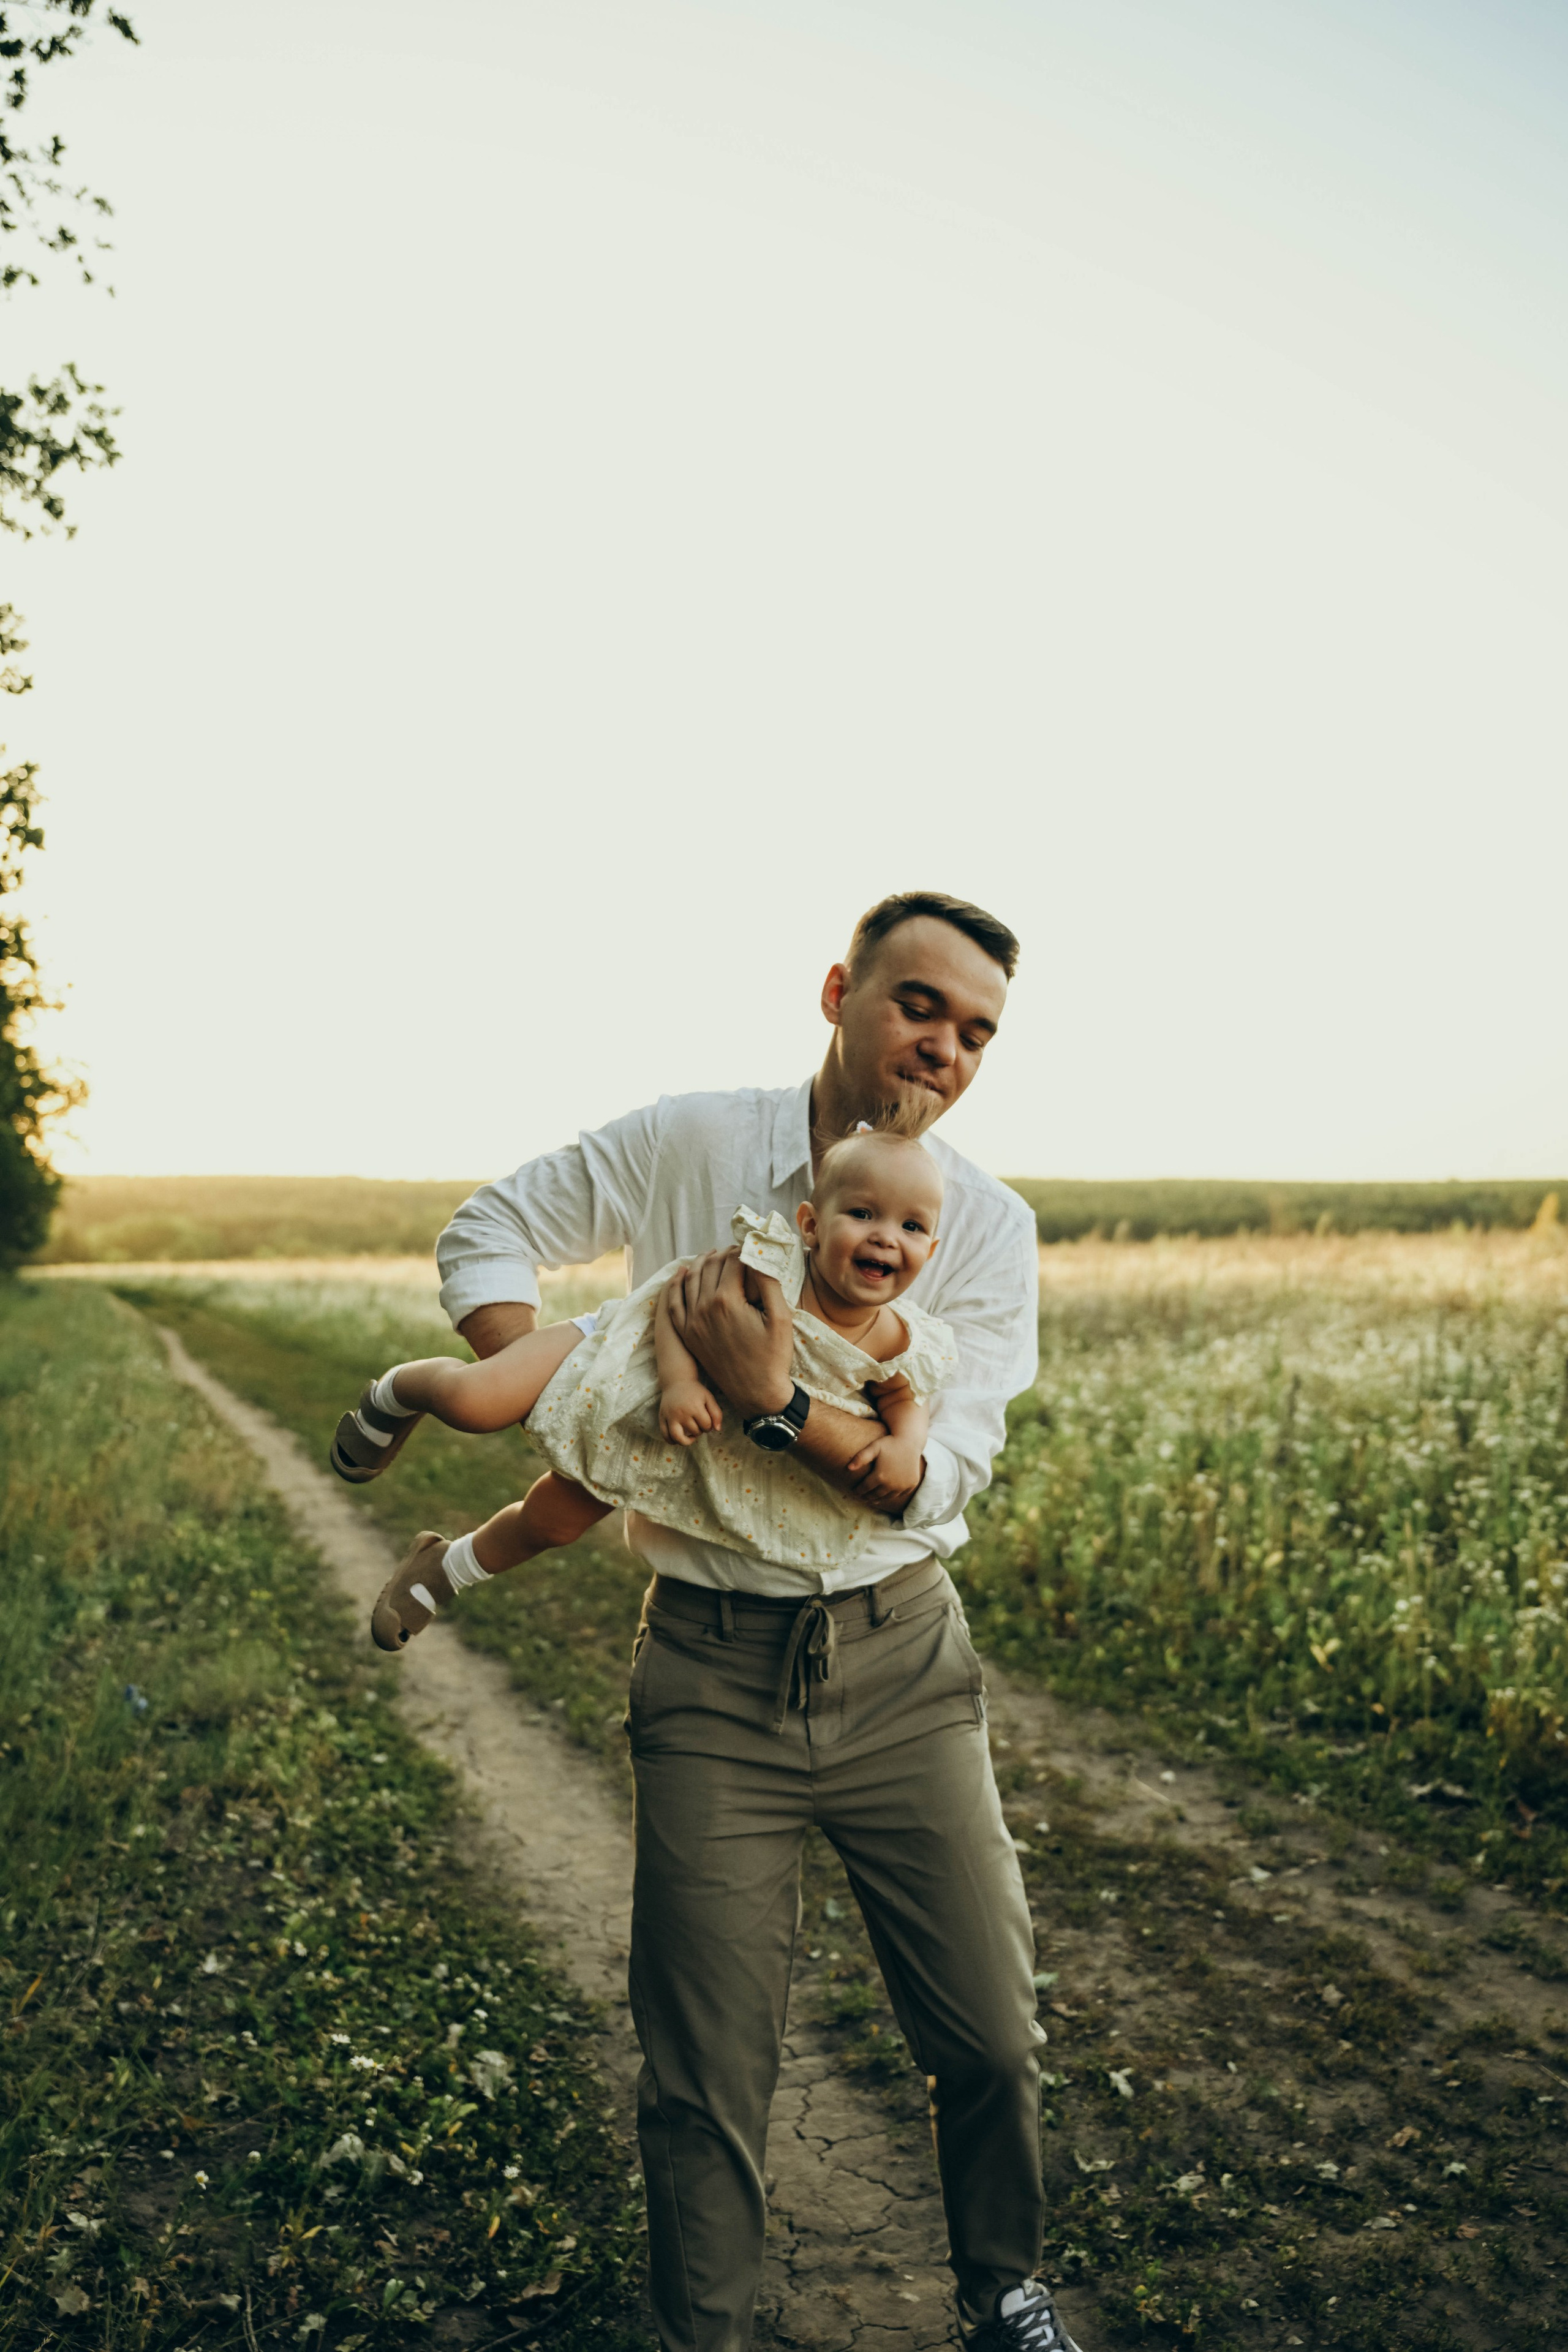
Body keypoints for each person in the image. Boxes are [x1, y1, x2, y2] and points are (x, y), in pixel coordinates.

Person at [434, 891, 1084, 2352]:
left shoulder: (981, 1227)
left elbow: (925, 1483)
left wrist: (775, 1407)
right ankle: (697, 2332)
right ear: (838, 989)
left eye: (977, 1031)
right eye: (919, 1003)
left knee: (989, 2030)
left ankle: (1001, 2291)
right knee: (705, 2061)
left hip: (902, 1659)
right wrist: (572, 1401)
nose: (944, 1047)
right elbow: (492, 1228)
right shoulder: (689, 1138)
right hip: (710, 1668)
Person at [333, 1117, 960, 1645]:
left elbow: (902, 1396)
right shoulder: (772, 1274)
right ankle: (394, 1394)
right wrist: (681, 1382)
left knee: (554, 1523)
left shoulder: (900, 1337)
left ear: (929, 1251)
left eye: (910, 1227)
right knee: (475, 1401)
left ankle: (444, 1569)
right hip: (629, 1355)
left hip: (690, 1442)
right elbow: (674, 1302)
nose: (885, 1236)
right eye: (862, 1213)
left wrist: (905, 1445)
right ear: (811, 1224)